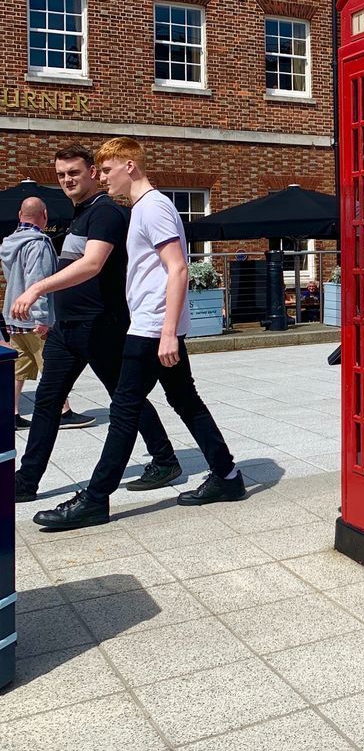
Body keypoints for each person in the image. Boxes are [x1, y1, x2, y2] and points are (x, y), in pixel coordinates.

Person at [29, 137, 244, 531]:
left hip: (150, 327)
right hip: (150, 324)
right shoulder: (144, 208)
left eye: (107, 170)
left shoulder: (153, 208)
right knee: (184, 401)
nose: (103, 178)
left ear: (129, 167)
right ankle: (228, 476)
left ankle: (94, 500)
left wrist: (166, 333)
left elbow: (178, 268)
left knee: (125, 411)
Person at [10, 147, 181, 504]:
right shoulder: (79, 215)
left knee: (124, 398)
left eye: (74, 172)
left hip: (101, 325)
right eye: (60, 175)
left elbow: (92, 264)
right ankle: (27, 481)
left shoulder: (106, 212)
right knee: (46, 402)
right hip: (67, 329)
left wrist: (38, 288)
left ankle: (164, 459)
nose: (67, 180)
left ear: (92, 172)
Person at [1, 198, 58, 431]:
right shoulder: (39, 243)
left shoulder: (8, 243)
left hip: (13, 314)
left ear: (19, 214)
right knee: (53, 367)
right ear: (44, 214)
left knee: (18, 368)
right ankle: (61, 412)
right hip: (34, 317)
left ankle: (12, 414)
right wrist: (43, 317)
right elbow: (39, 281)